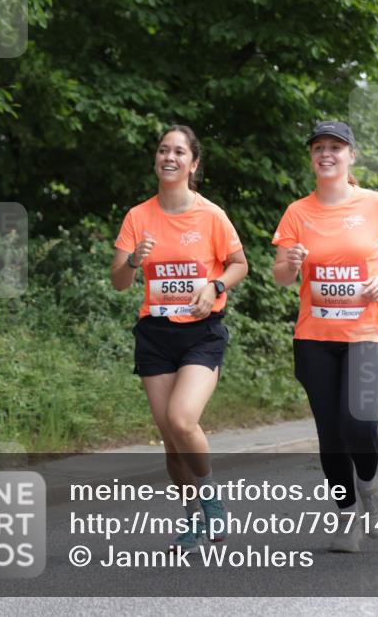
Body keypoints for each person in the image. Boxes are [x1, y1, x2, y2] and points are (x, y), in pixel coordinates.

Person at [272, 121, 378, 553]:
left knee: (359, 425)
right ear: (311, 157)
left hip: (367, 333)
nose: (326, 154)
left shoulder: (376, 204)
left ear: (352, 155)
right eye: (319, 147)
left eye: (336, 147)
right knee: (330, 433)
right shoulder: (298, 211)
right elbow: (280, 277)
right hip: (315, 336)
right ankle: (346, 515)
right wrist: (290, 263)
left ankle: (370, 487)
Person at [111, 125, 248, 551]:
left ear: (193, 164)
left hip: (201, 333)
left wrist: (216, 287)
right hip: (155, 334)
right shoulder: (138, 216)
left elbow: (240, 264)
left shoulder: (211, 215)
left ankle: (212, 503)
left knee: (182, 419)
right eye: (162, 150)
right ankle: (191, 520)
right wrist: (133, 260)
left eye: (179, 152)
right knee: (171, 443)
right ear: (156, 159)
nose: (169, 157)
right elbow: (118, 282)